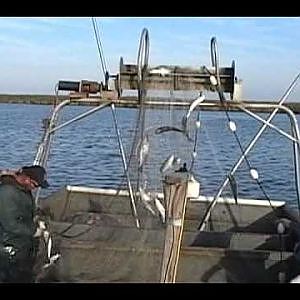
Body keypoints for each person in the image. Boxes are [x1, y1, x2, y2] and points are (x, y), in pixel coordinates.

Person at [0, 165, 49, 283]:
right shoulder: (7, 193)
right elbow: (10, 224)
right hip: (8, 245)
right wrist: (34, 231)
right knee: (9, 275)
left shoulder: (23, 189)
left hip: (23, 245)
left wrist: (37, 218)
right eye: (35, 185)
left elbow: (27, 209)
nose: (35, 188)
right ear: (26, 179)